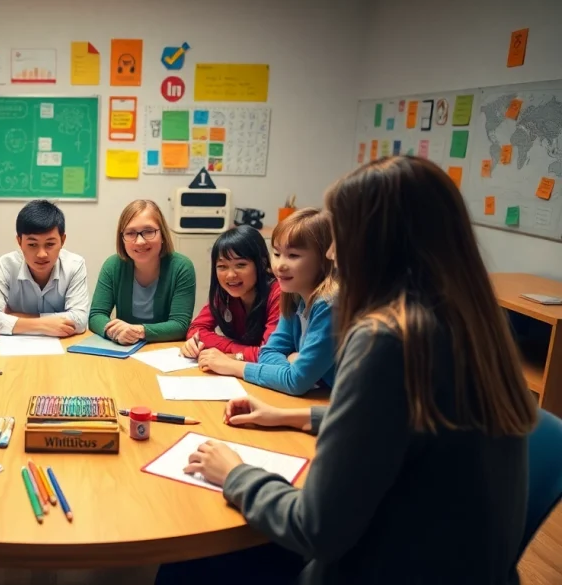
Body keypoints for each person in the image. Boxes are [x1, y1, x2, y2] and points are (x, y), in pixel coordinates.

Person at [157, 156, 538, 584]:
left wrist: (235, 473)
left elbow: (314, 529)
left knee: (187, 561)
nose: (333, 253)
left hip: (386, 570)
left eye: (339, 237)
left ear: (376, 243)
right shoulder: (471, 321)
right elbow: (405, 426)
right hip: (461, 564)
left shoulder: (386, 339)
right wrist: (295, 415)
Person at [197, 207, 337, 396]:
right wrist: (289, 363)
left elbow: (295, 381)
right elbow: (268, 352)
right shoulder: (294, 295)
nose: (280, 265)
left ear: (324, 258)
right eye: (277, 254)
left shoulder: (328, 305)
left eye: (293, 255)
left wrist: (233, 366)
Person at [88, 199, 196, 344]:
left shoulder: (181, 267)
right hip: (123, 350)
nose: (139, 241)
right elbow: (96, 316)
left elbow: (180, 325)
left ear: (163, 234)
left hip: (164, 351)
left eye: (149, 231)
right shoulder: (113, 266)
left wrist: (139, 331)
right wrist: (114, 332)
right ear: (122, 239)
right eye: (130, 233)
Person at [0, 199, 90, 337]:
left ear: (62, 240)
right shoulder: (6, 265)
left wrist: (15, 317)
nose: (41, 254)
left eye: (50, 244)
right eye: (32, 245)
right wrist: (44, 325)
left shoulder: (74, 265)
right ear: (19, 242)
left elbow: (79, 320)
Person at [181, 225, 281, 363]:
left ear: (262, 263)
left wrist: (229, 355)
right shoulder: (224, 293)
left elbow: (270, 354)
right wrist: (233, 349)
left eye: (240, 265)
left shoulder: (278, 294)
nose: (230, 275)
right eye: (222, 266)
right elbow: (196, 329)